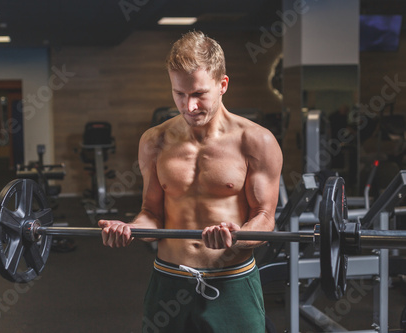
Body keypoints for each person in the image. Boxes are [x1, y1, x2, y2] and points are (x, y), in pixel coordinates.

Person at [99, 30, 283, 332]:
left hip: (232, 282)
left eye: (199, 94)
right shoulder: (154, 140)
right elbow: (152, 214)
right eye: (179, 94)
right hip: (169, 279)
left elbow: (264, 219)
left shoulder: (256, 141)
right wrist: (131, 229)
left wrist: (236, 236)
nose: (189, 106)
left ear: (222, 85)